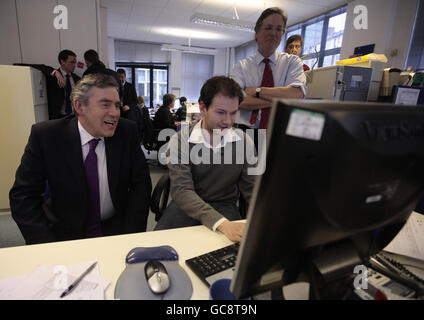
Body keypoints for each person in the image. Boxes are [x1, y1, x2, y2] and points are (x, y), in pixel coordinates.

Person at [9, 74, 152, 245]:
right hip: (64, 235)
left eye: (117, 105)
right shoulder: (47, 136)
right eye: (105, 105)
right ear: (79, 106)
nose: (115, 113)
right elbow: (23, 196)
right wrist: (46, 244)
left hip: (116, 231)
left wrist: (130, 236)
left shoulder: (127, 132)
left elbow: (141, 186)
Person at [154, 76, 257, 242]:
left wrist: (266, 221)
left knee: (232, 260)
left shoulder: (244, 141)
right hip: (186, 207)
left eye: (233, 113)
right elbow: (182, 191)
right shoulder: (180, 140)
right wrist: (222, 224)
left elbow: (252, 189)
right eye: (221, 112)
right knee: (159, 252)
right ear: (203, 108)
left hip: (225, 207)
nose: (228, 121)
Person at [231, 7, 307, 130]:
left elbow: (296, 94)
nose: (273, 33)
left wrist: (257, 91)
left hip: (281, 132)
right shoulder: (242, 66)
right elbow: (237, 101)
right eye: (268, 28)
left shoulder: (293, 62)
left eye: (278, 29)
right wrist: (281, 101)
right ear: (257, 33)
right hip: (247, 132)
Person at [49, 50, 81, 119]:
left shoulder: (77, 78)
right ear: (62, 62)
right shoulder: (53, 77)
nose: (74, 65)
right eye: (71, 62)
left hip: (74, 116)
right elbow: (39, 67)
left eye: (75, 62)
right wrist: (55, 72)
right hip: (58, 117)